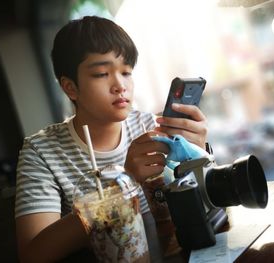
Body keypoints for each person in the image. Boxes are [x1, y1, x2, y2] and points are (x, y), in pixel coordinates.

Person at [14, 15, 208, 262]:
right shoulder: (41, 151)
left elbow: (199, 210)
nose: (120, 85)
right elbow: (33, 255)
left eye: (126, 72)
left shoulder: (150, 128)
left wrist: (198, 155)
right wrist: (124, 184)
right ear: (70, 87)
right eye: (101, 73)